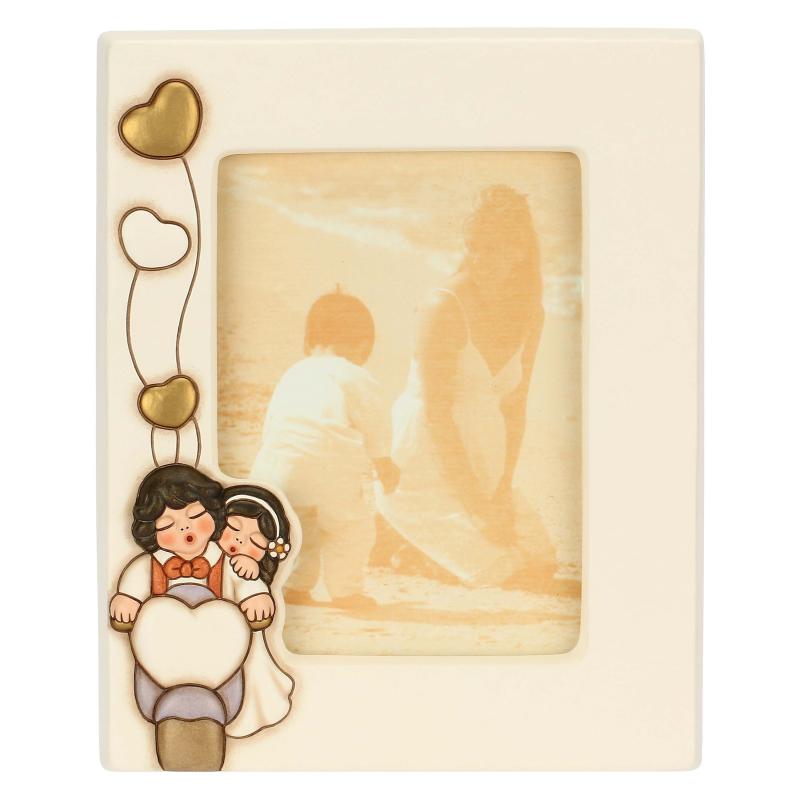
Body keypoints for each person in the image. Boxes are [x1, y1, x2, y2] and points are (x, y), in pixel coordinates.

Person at [377, 185, 558, 590]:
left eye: (493, 248)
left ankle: (406, 542)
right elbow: (437, 417)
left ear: (519, 251)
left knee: (540, 561)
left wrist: (502, 489)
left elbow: (515, 408)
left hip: (481, 457)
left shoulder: (532, 313)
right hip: (425, 456)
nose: (479, 259)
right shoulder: (443, 307)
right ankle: (397, 534)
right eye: (474, 246)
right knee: (502, 571)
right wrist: (477, 507)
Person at [250, 290, 399, 608]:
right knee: (351, 529)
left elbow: (273, 426)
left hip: (276, 471)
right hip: (331, 474)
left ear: (308, 341)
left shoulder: (293, 374)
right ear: (364, 346)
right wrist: (384, 463)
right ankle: (346, 591)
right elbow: (376, 425)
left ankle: (295, 585)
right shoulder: (356, 376)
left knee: (300, 528)